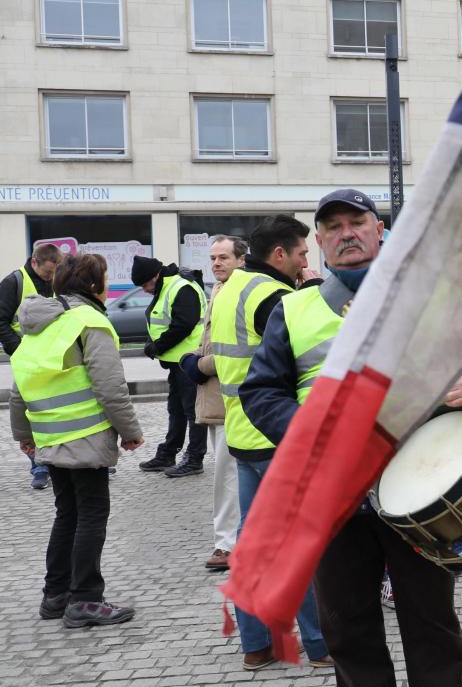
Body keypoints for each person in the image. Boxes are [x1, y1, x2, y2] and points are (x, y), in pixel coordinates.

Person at [241, 189, 462, 687]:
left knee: (432, 628)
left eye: (357, 222)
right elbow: (261, 393)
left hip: (420, 494)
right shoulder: (292, 311)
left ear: (380, 231)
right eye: (333, 228)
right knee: (348, 632)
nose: (347, 234)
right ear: (318, 242)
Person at [196, 217, 325, 669]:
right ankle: (320, 641)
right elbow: (301, 357)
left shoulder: (232, 286)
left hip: (242, 437)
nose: (307, 262)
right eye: (302, 254)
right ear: (280, 255)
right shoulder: (276, 298)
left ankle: (255, 645)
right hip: (275, 439)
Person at [9, 253, 144, 628]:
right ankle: (85, 598)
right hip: (85, 437)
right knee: (91, 513)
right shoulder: (89, 322)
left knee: (67, 513)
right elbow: (111, 388)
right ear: (94, 285)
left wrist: (25, 436)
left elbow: (20, 389)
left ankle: (55, 595)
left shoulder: (40, 324)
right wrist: (131, 432)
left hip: (51, 437)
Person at [178, 235, 246, 572]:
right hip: (218, 398)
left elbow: (233, 349)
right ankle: (228, 541)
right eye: (213, 258)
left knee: (228, 475)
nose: (216, 263)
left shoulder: (237, 293)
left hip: (232, 398)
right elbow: (210, 341)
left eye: (223, 257)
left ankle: (229, 544)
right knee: (226, 475)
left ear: (241, 260)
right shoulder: (218, 291)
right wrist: (193, 357)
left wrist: (198, 365)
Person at [132, 255, 208, 477]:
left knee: (193, 412)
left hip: (189, 360)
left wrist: (158, 346)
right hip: (176, 362)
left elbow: (183, 324)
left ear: (155, 276)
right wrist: (153, 343)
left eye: (145, 284)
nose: (145, 290)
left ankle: (195, 458)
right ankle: (168, 453)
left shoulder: (181, 287)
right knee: (176, 410)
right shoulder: (165, 287)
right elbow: (161, 321)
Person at [2, 243, 63, 490]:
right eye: (47, 273)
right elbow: (1, 321)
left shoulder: (58, 279)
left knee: (56, 409)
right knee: (31, 409)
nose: (50, 278)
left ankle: (60, 460)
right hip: (26, 357)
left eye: (54, 273)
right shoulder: (13, 282)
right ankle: (38, 466)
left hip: (53, 355)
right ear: (35, 262)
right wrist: (19, 350)